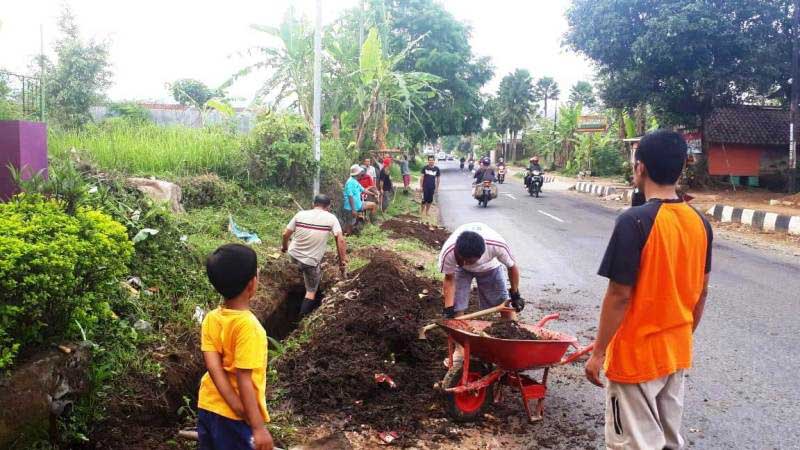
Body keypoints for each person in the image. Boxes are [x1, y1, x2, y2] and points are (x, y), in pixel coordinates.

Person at [584, 130, 713, 449]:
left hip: (635, 358)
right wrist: (681, 333)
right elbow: (702, 292)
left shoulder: (634, 221)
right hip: (676, 353)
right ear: (682, 167)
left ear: (640, 168)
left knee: (634, 444)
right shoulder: (700, 223)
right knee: (668, 442)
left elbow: (619, 295)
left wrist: (598, 352)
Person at [198, 244, 274, 450]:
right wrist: (257, 426)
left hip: (208, 407)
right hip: (236, 419)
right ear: (252, 284)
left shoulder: (211, 318)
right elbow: (244, 379)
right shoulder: (250, 327)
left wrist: (233, 404)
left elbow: (213, 367)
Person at [438, 223, 525, 364]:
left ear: (481, 254)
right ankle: (460, 351)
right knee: (457, 308)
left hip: (490, 268)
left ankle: (513, 348)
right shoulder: (449, 252)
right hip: (459, 271)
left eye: (471, 261)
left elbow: (512, 267)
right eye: (463, 259)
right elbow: (449, 279)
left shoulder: (496, 245)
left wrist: (515, 294)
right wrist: (448, 309)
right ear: (457, 251)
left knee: (503, 304)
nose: (467, 263)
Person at [281, 195, 348, 316]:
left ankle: (301, 272)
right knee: (311, 291)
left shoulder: (300, 214)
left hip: (293, 255)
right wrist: (342, 261)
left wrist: (284, 247)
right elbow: (341, 240)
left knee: (302, 266)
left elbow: (285, 234)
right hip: (310, 262)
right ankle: (302, 318)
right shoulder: (331, 218)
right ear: (328, 207)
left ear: (313, 204)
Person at [343, 164, 378, 234]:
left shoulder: (355, 181)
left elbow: (363, 190)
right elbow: (350, 196)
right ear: (357, 174)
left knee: (373, 205)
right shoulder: (350, 182)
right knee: (349, 226)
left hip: (359, 204)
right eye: (360, 172)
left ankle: (373, 223)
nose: (362, 174)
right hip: (351, 207)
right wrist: (353, 210)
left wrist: (374, 194)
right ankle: (348, 234)